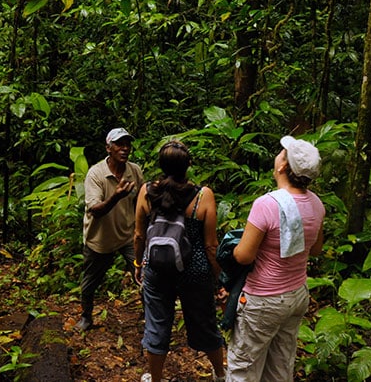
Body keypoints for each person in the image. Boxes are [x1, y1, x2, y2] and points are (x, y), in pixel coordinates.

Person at [226, 135, 325, 381]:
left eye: (282, 153)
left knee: (243, 366)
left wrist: (233, 246)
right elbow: (315, 249)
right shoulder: (316, 204)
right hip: (297, 293)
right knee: (280, 364)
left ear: (283, 166)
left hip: (264, 298)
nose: (278, 155)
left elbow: (244, 256)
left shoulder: (267, 204)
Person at [133, 140, 225, 382]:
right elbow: (210, 244)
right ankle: (220, 374)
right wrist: (216, 275)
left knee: (156, 323)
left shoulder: (147, 191)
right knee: (205, 321)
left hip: (156, 267)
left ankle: (155, 379)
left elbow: (139, 234)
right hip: (194, 270)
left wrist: (137, 264)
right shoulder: (203, 196)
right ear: (189, 165)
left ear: (161, 165)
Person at [75, 127, 144, 332]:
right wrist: (116, 196)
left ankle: (150, 320)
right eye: (119, 144)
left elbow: (141, 200)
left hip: (127, 235)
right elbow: (95, 210)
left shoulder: (135, 171)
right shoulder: (96, 174)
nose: (124, 148)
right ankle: (86, 316)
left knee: (143, 277)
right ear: (108, 148)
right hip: (100, 239)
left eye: (127, 144)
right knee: (90, 282)